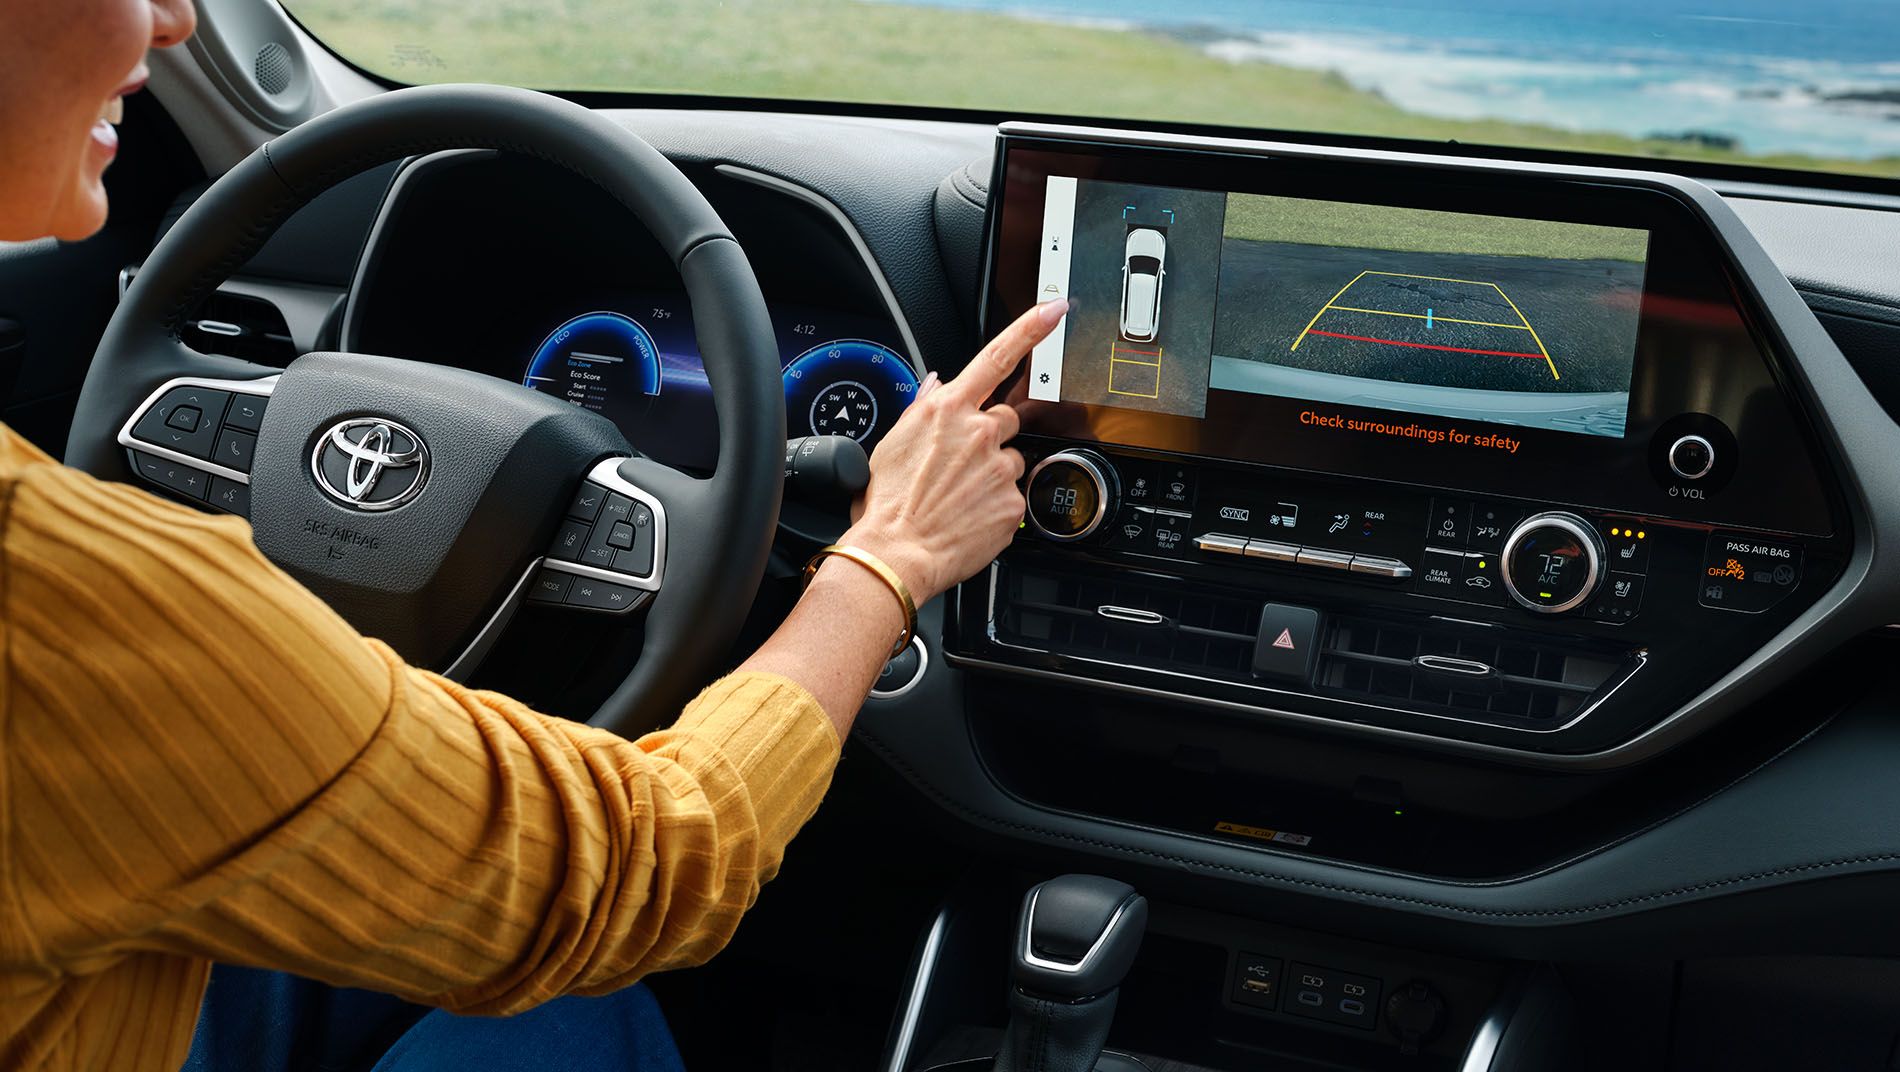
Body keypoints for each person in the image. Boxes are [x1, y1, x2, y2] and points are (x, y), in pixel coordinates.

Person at [0, 2, 1066, 1069]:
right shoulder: (70, 599)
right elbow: (649, 867)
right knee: (579, 1006)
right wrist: (888, 556)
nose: (179, 15)